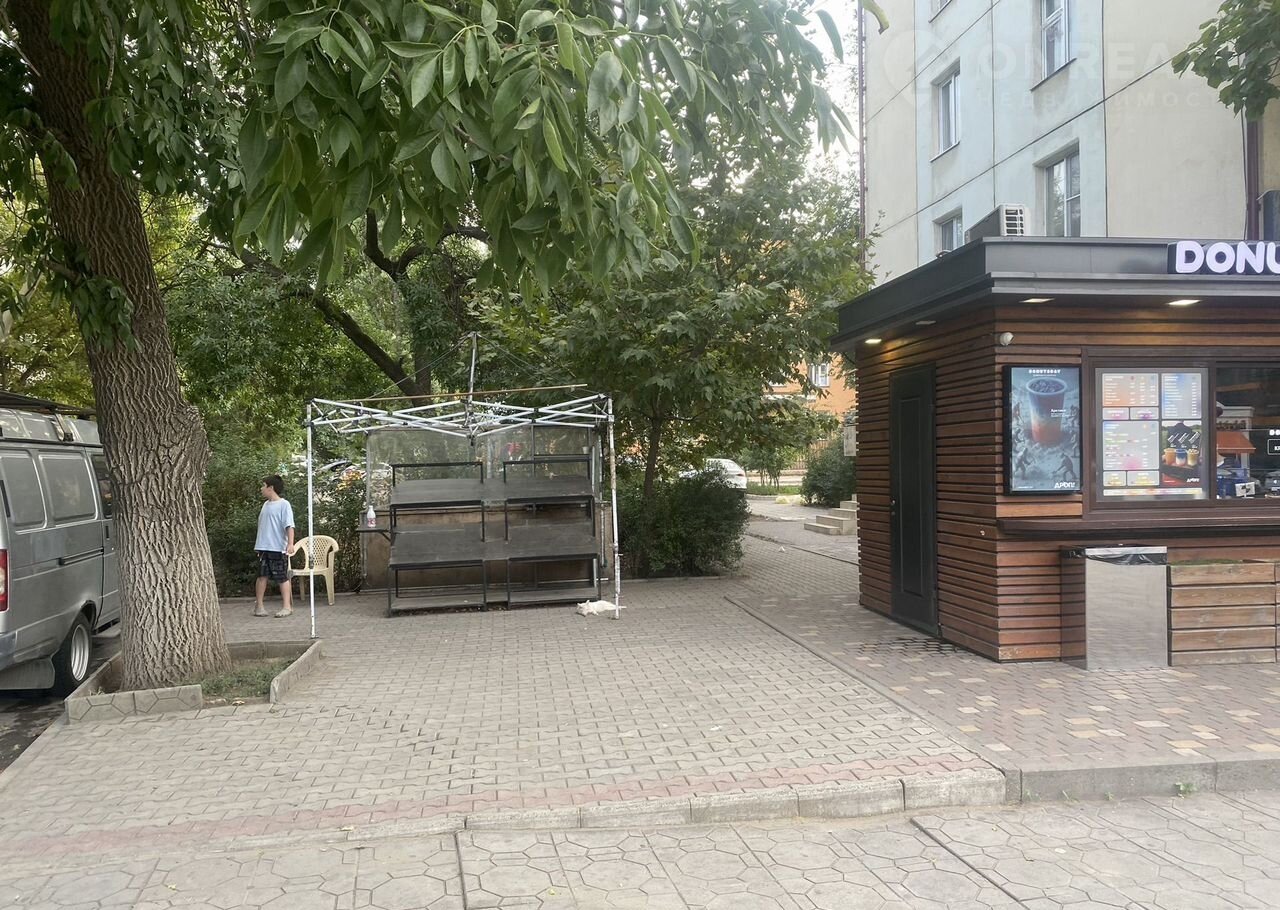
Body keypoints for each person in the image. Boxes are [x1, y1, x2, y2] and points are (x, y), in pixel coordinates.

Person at [254, 475, 296, 618]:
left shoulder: (284, 505)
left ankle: (287, 606)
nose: (261, 488)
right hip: (263, 547)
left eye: (263, 486)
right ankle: (259, 606)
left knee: (282, 577)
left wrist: (290, 544)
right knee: (262, 576)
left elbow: (289, 525)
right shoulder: (265, 505)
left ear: (270, 488)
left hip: (277, 547)